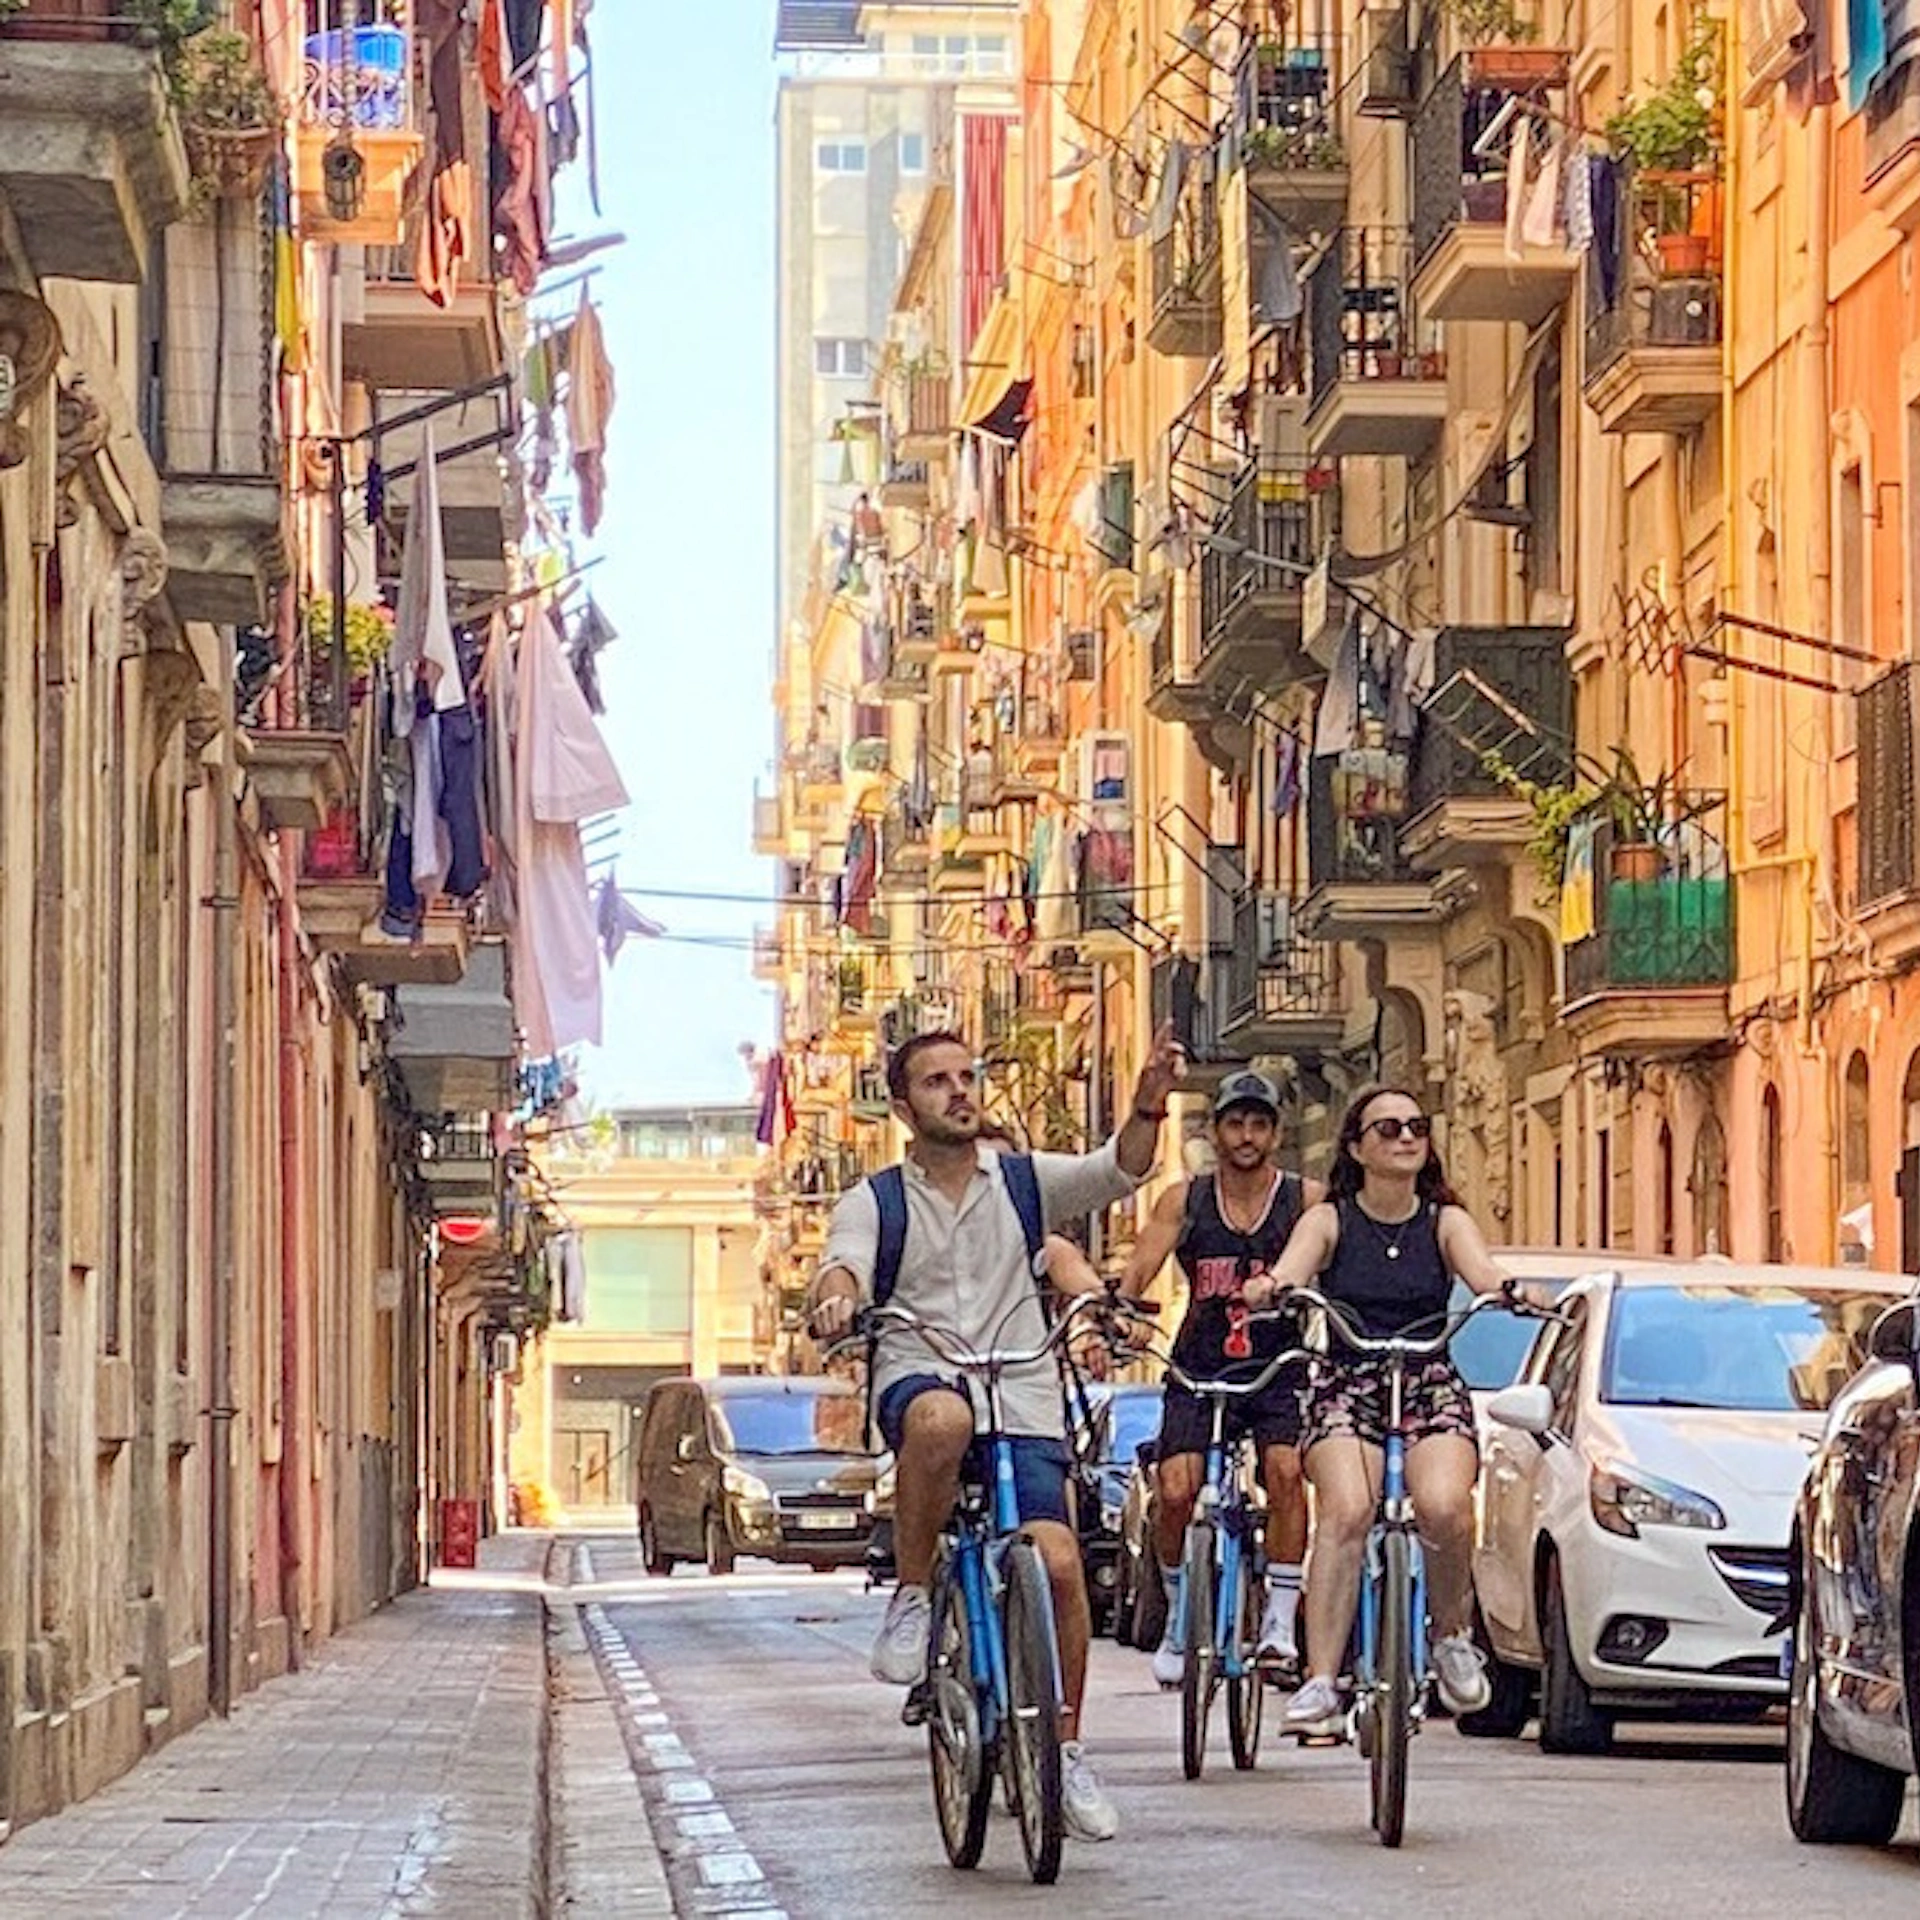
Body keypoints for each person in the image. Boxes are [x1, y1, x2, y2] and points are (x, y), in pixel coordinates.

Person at [808, 1022, 1186, 1843]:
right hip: (924, 1373)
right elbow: (843, 1261)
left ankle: (1067, 1749)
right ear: (905, 1107)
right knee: (940, 1420)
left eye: (967, 1075)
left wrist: (1151, 1100)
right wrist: (838, 1296)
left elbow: (1118, 1169)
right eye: (938, 1081)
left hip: (1021, 1388)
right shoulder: (876, 1200)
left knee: (1055, 1564)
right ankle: (913, 1597)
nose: (960, 1090)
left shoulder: (1022, 1182)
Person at [1245, 1086, 1538, 1738]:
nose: (1405, 1138)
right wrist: (1272, 1289)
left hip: (1429, 1382)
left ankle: (1451, 1639)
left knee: (1444, 1506)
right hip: (1347, 1384)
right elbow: (1291, 1269)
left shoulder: (1444, 1220)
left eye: (1416, 1127)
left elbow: (1483, 1275)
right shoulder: (1329, 1220)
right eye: (1388, 1129)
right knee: (1347, 1510)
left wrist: (1508, 1291)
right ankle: (1321, 1680)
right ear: (1357, 1146)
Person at [1115, 1070, 1323, 1688]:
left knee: (1286, 1472)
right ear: (1216, 1131)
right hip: (1199, 1363)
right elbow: (1143, 1265)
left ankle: (1281, 1619)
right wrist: (1122, 1310)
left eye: (1259, 1124)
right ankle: (1182, 1608)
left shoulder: (1303, 1200)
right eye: (1236, 1122)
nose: (1247, 1135)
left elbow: (1331, 1262)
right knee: (1176, 1490)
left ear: (1277, 1134)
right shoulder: (1185, 1200)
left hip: (1279, 1364)